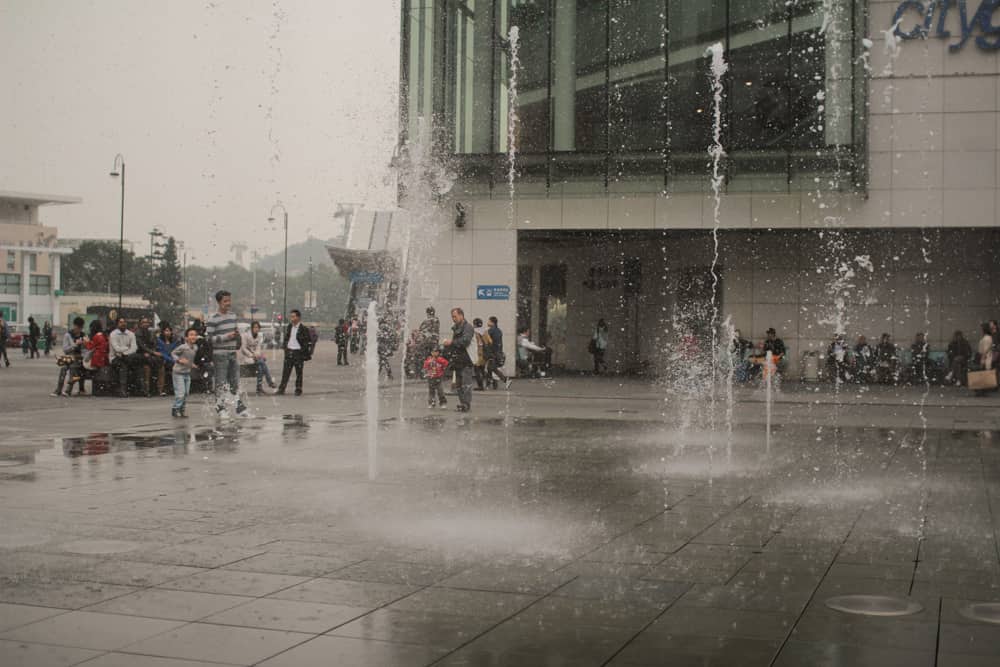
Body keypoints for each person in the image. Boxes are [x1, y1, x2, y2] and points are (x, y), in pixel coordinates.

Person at [205, 290, 248, 417]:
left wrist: (237, 337)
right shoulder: (213, 319)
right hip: (220, 355)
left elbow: (235, 332)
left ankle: (239, 408)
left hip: (232, 353)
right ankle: (220, 407)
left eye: (229, 300)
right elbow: (209, 339)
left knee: (235, 381)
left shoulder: (233, 316)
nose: (228, 303)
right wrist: (225, 337)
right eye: (225, 301)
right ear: (219, 302)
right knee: (221, 382)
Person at [441, 307, 475, 412]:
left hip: (466, 360)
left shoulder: (468, 327)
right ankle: (462, 403)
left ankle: (466, 404)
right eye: (452, 317)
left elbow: (465, 341)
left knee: (466, 383)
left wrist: (451, 342)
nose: (453, 319)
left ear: (461, 315)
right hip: (458, 360)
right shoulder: (456, 327)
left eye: (455, 316)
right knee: (459, 384)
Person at [277, 309, 312, 396]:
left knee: (299, 372)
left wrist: (302, 351)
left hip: (298, 353)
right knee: (285, 372)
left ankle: (298, 389)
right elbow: (286, 338)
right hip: (289, 352)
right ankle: (282, 388)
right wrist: (285, 347)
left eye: (293, 316)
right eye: (291, 316)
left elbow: (308, 341)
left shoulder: (304, 329)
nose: (291, 318)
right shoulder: (289, 327)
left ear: (298, 317)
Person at [52, 317, 87, 397]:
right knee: (63, 368)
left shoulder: (83, 335)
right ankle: (58, 389)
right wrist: (75, 345)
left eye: (80, 328)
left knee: (73, 368)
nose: (78, 330)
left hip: (78, 358)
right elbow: (65, 349)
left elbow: (85, 350)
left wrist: (84, 345)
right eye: (77, 327)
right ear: (74, 326)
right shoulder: (68, 335)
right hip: (68, 356)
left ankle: (68, 390)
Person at [170, 327, 200, 418]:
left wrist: (192, 364)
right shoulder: (183, 347)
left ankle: (182, 409)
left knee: (186, 393)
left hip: (187, 373)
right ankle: (176, 409)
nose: (193, 336)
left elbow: (190, 359)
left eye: (195, 335)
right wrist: (179, 360)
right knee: (180, 392)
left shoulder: (195, 347)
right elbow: (173, 353)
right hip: (178, 373)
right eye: (191, 335)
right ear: (186, 337)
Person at [240, 320, 276, 395]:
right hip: (247, 357)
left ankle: (259, 388)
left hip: (256, 357)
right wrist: (252, 355)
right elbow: (243, 348)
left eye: (258, 327)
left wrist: (257, 354)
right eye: (255, 327)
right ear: (251, 328)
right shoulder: (245, 335)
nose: (256, 329)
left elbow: (258, 348)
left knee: (260, 367)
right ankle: (269, 382)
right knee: (262, 363)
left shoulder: (259, 336)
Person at [109, 317, 140, 397]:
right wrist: (127, 348)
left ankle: (137, 389)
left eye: (124, 322)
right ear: (117, 324)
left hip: (128, 356)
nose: (123, 324)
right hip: (115, 358)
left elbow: (134, 348)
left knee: (138, 362)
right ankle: (123, 389)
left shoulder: (131, 334)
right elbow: (116, 349)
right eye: (121, 322)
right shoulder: (113, 334)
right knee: (123, 366)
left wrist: (126, 353)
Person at [135, 317, 164, 397]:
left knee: (161, 364)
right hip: (140, 354)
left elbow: (152, 344)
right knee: (146, 367)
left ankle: (160, 389)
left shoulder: (150, 332)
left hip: (149, 354)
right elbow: (141, 346)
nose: (146, 324)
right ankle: (146, 390)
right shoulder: (138, 333)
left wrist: (152, 352)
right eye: (143, 322)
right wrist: (152, 352)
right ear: (140, 324)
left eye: (147, 322)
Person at [485, 316, 511, 390]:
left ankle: (505, 380)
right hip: (498, 352)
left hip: (493, 352)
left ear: (492, 322)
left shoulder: (491, 330)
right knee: (491, 368)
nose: (488, 322)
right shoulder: (499, 330)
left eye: (489, 321)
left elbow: (489, 342)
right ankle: (491, 384)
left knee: (492, 368)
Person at [84, 319, 110, 394]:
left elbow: (90, 347)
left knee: (87, 368)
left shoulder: (96, 336)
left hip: (97, 358)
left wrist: (85, 342)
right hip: (103, 358)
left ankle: (95, 390)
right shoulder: (102, 335)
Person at [156, 324, 180, 396]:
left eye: (169, 331)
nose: (168, 332)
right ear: (163, 332)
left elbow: (175, 352)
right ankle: (162, 389)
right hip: (164, 360)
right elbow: (162, 353)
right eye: (166, 331)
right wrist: (171, 360)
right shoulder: (159, 341)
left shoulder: (174, 342)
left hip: (172, 360)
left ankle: (176, 388)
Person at [472, 318, 490, 390]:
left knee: (477, 369)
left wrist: (479, 352)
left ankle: (480, 386)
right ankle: (488, 382)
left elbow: (479, 343)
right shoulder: (485, 331)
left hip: (480, 353)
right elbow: (489, 341)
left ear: (475, 324)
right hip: (486, 352)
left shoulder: (475, 332)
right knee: (482, 369)